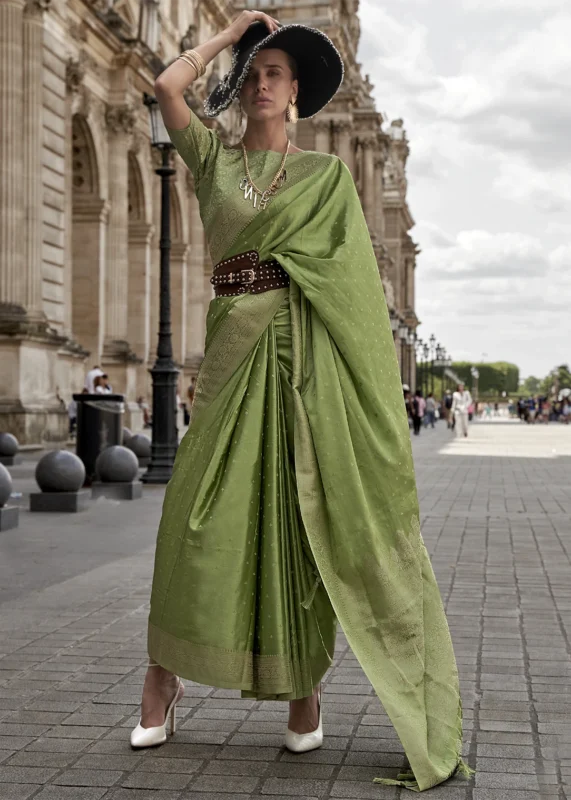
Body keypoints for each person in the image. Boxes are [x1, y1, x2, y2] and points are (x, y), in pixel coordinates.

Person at [131, 11, 471, 792]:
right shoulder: (210, 161)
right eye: (252, 74)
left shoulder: (326, 181)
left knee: (296, 526)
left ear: (296, 96)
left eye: (273, 74)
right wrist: (231, 37)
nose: (259, 84)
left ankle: (302, 694)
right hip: (231, 359)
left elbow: (351, 295)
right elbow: (164, 85)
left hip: (305, 367)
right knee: (193, 519)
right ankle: (163, 679)